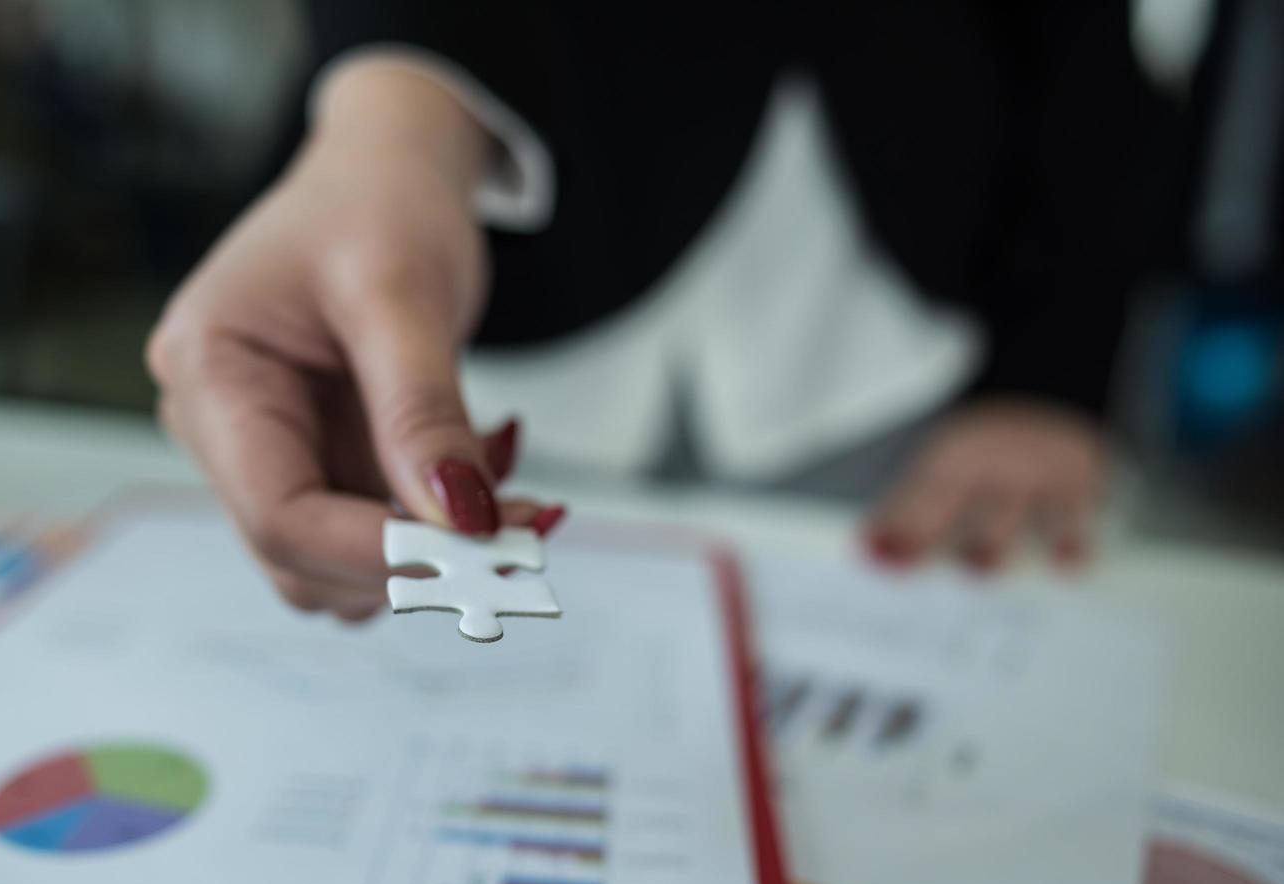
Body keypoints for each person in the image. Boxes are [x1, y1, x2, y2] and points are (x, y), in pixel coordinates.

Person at [145, 3, 1178, 620]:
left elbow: (1082, 42)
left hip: (892, 326)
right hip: (505, 268)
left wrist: (1050, 371)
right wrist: (393, 115)